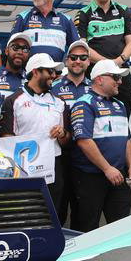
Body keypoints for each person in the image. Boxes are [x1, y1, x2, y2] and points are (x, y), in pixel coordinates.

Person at [69, 59, 131, 232]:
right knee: (87, 227)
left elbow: (126, 138)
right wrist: (107, 169)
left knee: (121, 227)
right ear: (99, 79)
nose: (120, 82)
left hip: (118, 175)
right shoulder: (84, 103)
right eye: (115, 77)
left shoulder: (120, 104)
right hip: (91, 177)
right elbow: (84, 140)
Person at [0, 52, 70, 211]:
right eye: (50, 71)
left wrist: (62, 134)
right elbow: (6, 138)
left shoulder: (59, 102)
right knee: (24, 213)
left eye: (55, 72)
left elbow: (67, 140)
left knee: (53, 214)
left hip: (53, 166)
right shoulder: (14, 100)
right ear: (36, 71)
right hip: (24, 167)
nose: (54, 75)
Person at [73, 0, 131, 113]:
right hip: (95, 73)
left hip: (121, 72)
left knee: (123, 114)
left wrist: (118, 62)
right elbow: (82, 47)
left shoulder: (124, 10)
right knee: (95, 114)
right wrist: (106, 64)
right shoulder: (83, 13)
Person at [50, 39, 93, 225]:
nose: (78, 61)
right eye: (73, 57)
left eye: (83, 57)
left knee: (82, 207)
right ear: (67, 61)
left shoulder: (95, 88)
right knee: (57, 205)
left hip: (86, 156)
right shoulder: (53, 87)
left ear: (88, 62)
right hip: (58, 154)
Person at [10, 0, 78, 63]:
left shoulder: (66, 20)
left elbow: (77, 49)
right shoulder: (22, 17)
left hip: (55, 74)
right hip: (28, 74)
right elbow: (11, 49)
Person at [0, 32, 31, 98]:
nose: (20, 52)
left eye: (25, 49)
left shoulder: (30, 80)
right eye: (15, 47)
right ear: (6, 51)